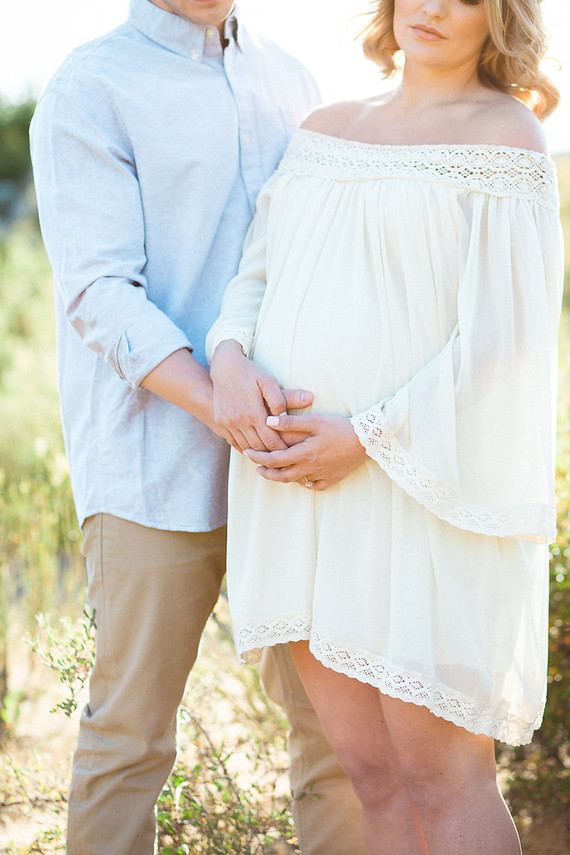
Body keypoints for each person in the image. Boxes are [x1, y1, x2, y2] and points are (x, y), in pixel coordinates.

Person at [206, 0, 564, 852]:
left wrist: (365, 436)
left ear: (501, 18)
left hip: (419, 492)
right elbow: (253, 279)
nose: (434, 8)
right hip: (300, 491)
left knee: (444, 778)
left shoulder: (508, 138)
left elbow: (500, 343)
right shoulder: (325, 127)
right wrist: (226, 358)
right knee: (368, 774)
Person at [29, 1, 368, 853]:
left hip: (294, 466)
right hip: (155, 465)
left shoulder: (292, 79)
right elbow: (98, 292)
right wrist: (216, 394)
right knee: (131, 737)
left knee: (338, 737)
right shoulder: (90, 86)